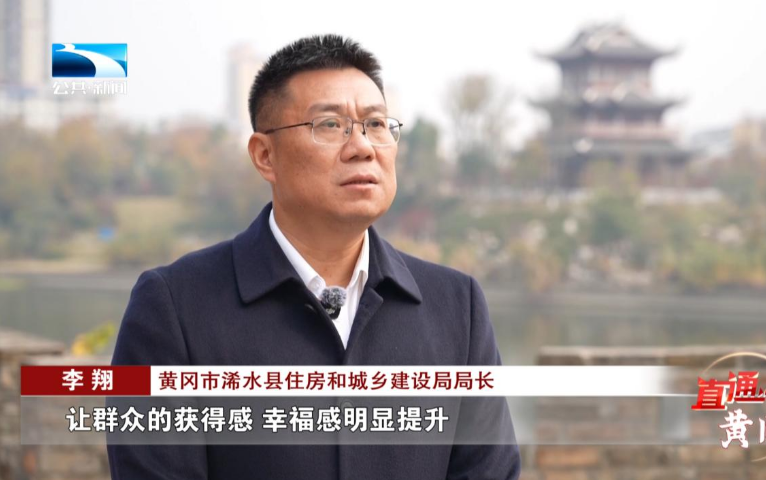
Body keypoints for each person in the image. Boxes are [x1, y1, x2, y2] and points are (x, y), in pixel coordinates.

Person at [107, 34, 520, 480]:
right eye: (330, 125)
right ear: (265, 155)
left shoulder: (457, 306)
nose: (363, 146)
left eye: (376, 124)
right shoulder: (175, 306)